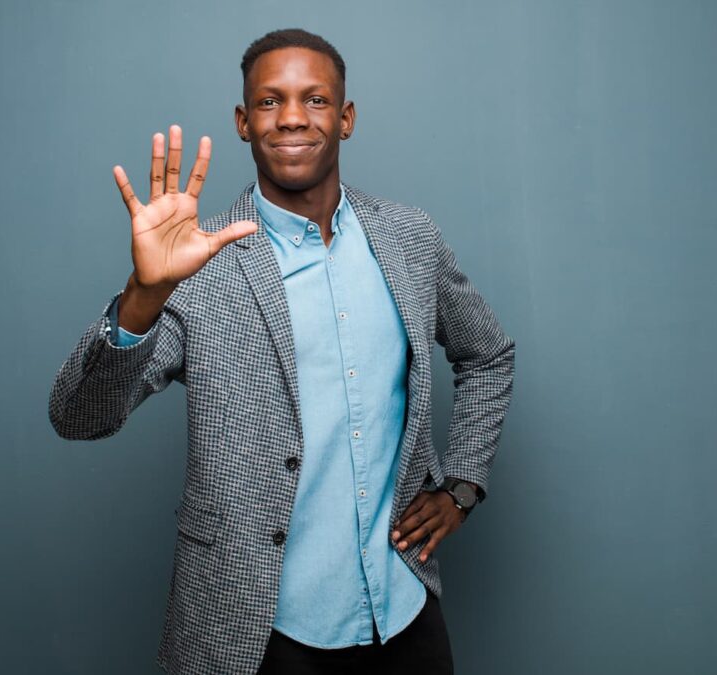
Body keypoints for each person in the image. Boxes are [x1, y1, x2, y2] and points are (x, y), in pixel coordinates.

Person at [49, 28, 515, 675]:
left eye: (315, 100)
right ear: (244, 122)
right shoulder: (198, 264)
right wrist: (142, 295)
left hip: (403, 612)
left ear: (346, 118)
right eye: (270, 102)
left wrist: (462, 484)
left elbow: (488, 355)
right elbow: (77, 415)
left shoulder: (410, 238)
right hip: (257, 637)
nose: (292, 116)